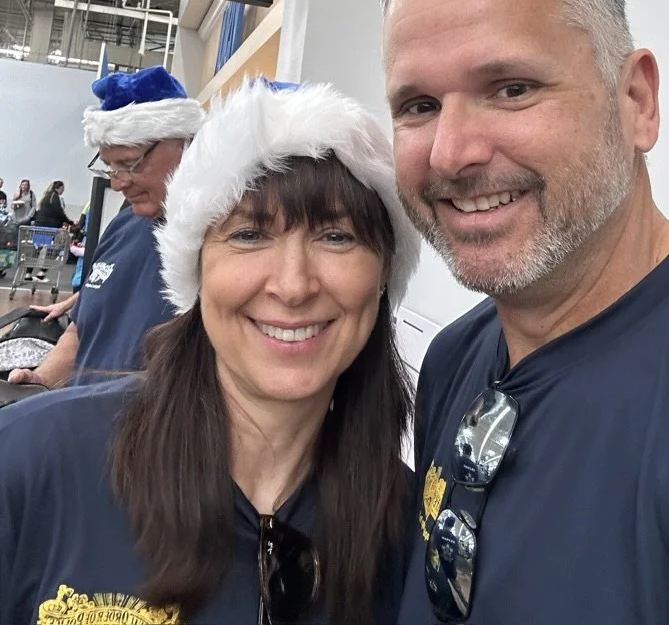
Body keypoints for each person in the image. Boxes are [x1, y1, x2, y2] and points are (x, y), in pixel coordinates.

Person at [382, 0, 669, 625]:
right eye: (419, 105)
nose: (451, 153)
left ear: (636, 102)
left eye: (512, 88)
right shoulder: (455, 359)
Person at [0, 78, 421, 625]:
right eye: (249, 235)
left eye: (336, 236)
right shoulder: (34, 465)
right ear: (196, 268)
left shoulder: (408, 532)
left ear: (384, 273)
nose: (293, 286)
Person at [8, 66, 204, 388]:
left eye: (130, 164)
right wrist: (41, 380)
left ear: (185, 142)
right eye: (110, 167)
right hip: (82, 426)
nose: (119, 183)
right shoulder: (125, 224)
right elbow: (82, 330)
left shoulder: (217, 244)